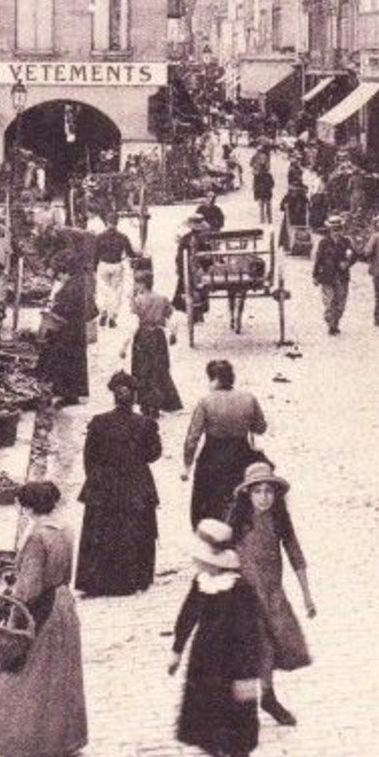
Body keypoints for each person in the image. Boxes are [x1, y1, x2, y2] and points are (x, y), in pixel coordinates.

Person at [169, 519, 266, 757]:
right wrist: (176, 649)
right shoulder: (202, 581)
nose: (196, 561)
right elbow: (188, 614)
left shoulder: (240, 591)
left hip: (233, 671)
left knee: (236, 736)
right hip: (204, 666)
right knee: (197, 727)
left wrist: (248, 678)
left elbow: (252, 637)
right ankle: (222, 755)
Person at [0, 482, 87, 757]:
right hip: (63, 604)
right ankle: (61, 742)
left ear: (27, 506)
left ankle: (22, 751)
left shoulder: (36, 538)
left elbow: (29, 588)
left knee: (24, 678)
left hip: (40, 610)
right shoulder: (64, 530)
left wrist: (11, 605)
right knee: (59, 677)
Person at [228, 464, 315, 728]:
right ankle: (240, 707)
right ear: (247, 494)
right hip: (244, 596)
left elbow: (295, 555)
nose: (264, 497)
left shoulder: (279, 520)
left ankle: (267, 697)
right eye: (258, 491)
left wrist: (307, 595)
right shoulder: (237, 521)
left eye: (269, 491)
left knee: (268, 648)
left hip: (273, 594)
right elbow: (220, 556)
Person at [77, 373, 164, 596]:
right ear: (134, 397)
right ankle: (135, 579)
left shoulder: (99, 422)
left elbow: (89, 457)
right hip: (136, 483)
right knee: (135, 530)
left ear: (114, 397)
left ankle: (99, 581)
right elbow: (154, 455)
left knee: (102, 530)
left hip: (103, 483)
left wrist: (97, 479)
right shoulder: (146, 424)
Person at [182, 360, 270, 527]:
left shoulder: (206, 402)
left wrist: (187, 465)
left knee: (207, 501)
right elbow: (261, 428)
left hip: (213, 456)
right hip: (241, 454)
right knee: (240, 496)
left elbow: (192, 438)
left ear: (214, 379)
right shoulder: (249, 399)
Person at [122, 272, 183, 418]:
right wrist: (173, 334)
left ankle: (145, 405)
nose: (135, 286)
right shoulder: (162, 299)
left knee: (142, 371)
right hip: (158, 336)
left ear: (142, 284)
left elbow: (133, 323)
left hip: (143, 337)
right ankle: (157, 405)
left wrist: (123, 346)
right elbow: (171, 318)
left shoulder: (138, 301)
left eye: (137, 283)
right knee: (159, 369)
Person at [37, 257, 94, 405]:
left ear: (64, 273)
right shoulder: (78, 283)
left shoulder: (71, 287)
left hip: (68, 329)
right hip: (75, 328)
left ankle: (68, 394)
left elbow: (65, 308)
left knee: (67, 360)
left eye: (59, 275)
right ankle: (70, 392)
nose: (59, 279)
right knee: (74, 361)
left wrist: (52, 310)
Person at [312, 216, 358, 336]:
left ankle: (336, 322)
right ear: (329, 229)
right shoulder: (324, 242)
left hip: (342, 276)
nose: (336, 232)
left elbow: (354, 256)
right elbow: (318, 259)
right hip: (327, 276)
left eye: (338, 229)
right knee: (330, 301)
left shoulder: (346, 242)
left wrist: (347, 263)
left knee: (341, 303)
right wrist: (315, 275)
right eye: (334, 229)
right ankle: (331, 324)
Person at [93, 218, 136, 329]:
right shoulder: (122, 237)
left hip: (103, 265)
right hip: (117, 265)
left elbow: (95, 255)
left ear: (107, 223)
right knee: (116, 292)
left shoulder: (99, 237)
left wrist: (94, 269)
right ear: (117, 223)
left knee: (103, 291)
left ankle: (103, 312)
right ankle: (112, 317)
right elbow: (130, 253)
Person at [279, 180, 310, 250]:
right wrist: (285, 206)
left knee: (300, 230)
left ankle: (301, 244)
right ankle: (287, 245)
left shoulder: (303, 197)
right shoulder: (287, 197)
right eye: (294, 190)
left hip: (300, 218)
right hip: (290, 217)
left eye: (297, 190)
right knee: (287, 230)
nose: (295, 192)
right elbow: (281, 207)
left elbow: (307, 205)